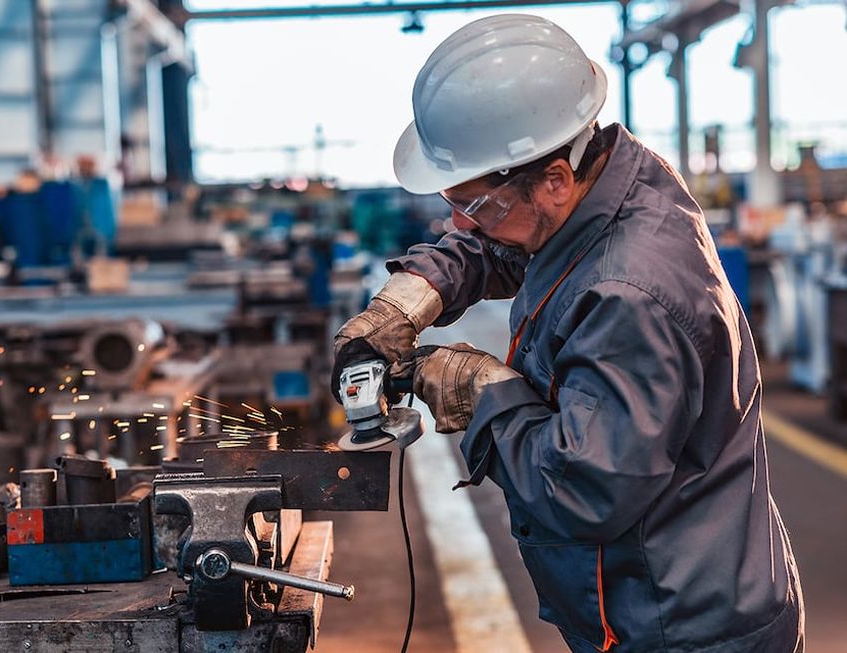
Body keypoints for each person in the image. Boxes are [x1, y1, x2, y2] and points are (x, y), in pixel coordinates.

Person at [332, 14, 804, 653]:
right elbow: (501, 244)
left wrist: (481, 392)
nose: (459, 223)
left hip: (678, 626)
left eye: (471, 205)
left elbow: (580, 489)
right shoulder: (601, 182)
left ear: (553, 178)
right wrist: (408, 300)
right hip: (658, 599)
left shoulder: (631, 295)